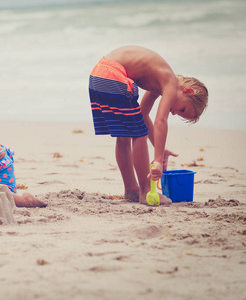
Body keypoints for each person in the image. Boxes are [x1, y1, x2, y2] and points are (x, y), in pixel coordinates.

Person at [89, 45, 208, 205]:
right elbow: (161, 121)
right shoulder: (170, 82)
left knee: (125, 134)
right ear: (187, 91)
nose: (175, 113)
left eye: (179, 114)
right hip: (114, 74)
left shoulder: (159, 81)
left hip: (99, 74)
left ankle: (131, 190)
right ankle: (145, 191)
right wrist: (157, 160)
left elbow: (143, 114)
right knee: (138, 133)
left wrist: (158, 147)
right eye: (182, 109)